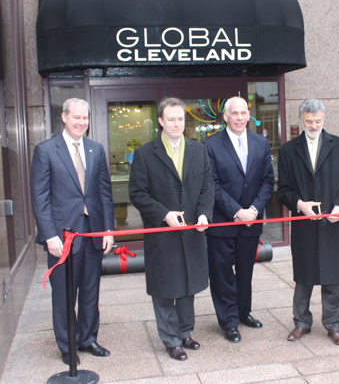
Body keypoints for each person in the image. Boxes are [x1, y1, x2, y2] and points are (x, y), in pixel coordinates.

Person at [128, 97, 214, 361]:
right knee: (165, 288)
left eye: (181, 119)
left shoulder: (199, 151)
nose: (177, 124)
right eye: (172, 119)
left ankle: (185, 332)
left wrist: (203, 215)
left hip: (191, 234)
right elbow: (138, 194)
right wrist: (163, 214)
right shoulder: (144, 154)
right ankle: (170, 339)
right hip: (162, 235)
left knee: (188, 286)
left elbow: (207, 189)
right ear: (161, 121)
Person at [30, 98, 115, 365]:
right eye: (76, 117)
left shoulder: (96, 149)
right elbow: (39, 197)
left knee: (91, 290)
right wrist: (50, 235)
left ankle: (88, 338)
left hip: (92, 235)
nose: (81, 122)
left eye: (85, 118)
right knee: (65, 294)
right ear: (64, 117)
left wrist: (108, 231)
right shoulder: (45, 150)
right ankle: (67, 347)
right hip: (62, 238)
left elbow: (104, 193)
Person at [277, 99, 339, 345]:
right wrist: (299, 205)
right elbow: (283, 190)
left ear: (324, 119)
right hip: (304, 225)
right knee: (303, 278)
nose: (314, 125)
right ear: (302, 120)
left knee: (333, 277)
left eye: (318, 121)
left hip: (333, 224)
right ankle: (301, 323)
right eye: (309, 121)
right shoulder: (288, 150)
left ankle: (334, 325)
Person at [203, 96, 274, 343]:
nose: (240, 118)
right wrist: (237, 211)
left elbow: (267, 181)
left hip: (250, 223)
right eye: (235, 113)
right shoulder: (210, 145)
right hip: (223, 223)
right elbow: (212, 185)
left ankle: (244, 313)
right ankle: (229, 321)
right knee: (222, 274)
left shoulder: (261, 143)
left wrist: (253, 209)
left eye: (244, 113)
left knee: (245, 272)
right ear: (225, 116)